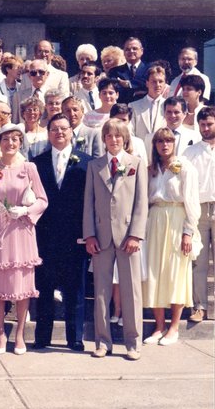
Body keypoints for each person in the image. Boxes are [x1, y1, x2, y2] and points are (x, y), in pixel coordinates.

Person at [0, 123, 48, 355]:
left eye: (15, 139)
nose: (10, 144)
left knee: (21, 284)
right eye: (5, 139)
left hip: (21, 229)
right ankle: (0, 333)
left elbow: (42, 200)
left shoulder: (29, 168)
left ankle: (19, 334)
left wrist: (26, 211)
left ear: (20, 142)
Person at [83, 118, 148, 361]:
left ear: (125, 139)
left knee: (131, 291)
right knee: (101, 291)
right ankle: (102, 341)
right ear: (104, 139)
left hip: (128, 236)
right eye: (109, 136)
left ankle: (133, 342)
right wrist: (89, 234)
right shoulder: (94, 166)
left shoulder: (136, 164)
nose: (114, 140)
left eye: (118, 136)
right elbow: (88, 203)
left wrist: (136, 234)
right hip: (101, 236)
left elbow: (142, 202)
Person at [33, 114, 91, 351]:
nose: (59, 132)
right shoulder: (36, 163)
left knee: (75, 289)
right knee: (44, 288)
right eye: (54, 129)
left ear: (71, 132)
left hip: (74, 236)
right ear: (48, 133)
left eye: (64, 128)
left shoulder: (87, 163)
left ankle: (75, 338)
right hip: (44, 236)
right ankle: (43, 337)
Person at [142, 127, 200, 347]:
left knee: (176, 273)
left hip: (177, 219)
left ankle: (174, 327)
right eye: (160, 141)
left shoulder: (185, 167)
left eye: (168, 141)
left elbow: (192, 203)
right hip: (154, 220)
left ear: (174, 143)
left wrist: (188, 232)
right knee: (155, 272)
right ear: (155, 145)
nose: (164, 145)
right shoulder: (151, 169)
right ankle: (159, 326)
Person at [183, 107, 215, 323]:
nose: (205, 128)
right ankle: (200, 306)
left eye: (209, 124)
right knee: (199, 263)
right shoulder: (190, 153)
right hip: (199, 210)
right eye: (202, 124)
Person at [129, 66, 167, 141]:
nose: (157, 85)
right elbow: (131, 132)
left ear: (165, 84)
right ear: (147, 83)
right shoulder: (134, 106)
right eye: (154, 81)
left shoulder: (168, 106)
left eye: (160, 81)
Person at [108, 37, 148, 104]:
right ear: (123, 52)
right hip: (123, 109)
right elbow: (116, 91)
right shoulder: (115, 71)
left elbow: (151, 87)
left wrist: (129, 84)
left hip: (144, 109)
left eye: (134, 48)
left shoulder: (149, 69)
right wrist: (139, 89)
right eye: (127, 49)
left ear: (142, 51)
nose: (131, 51)